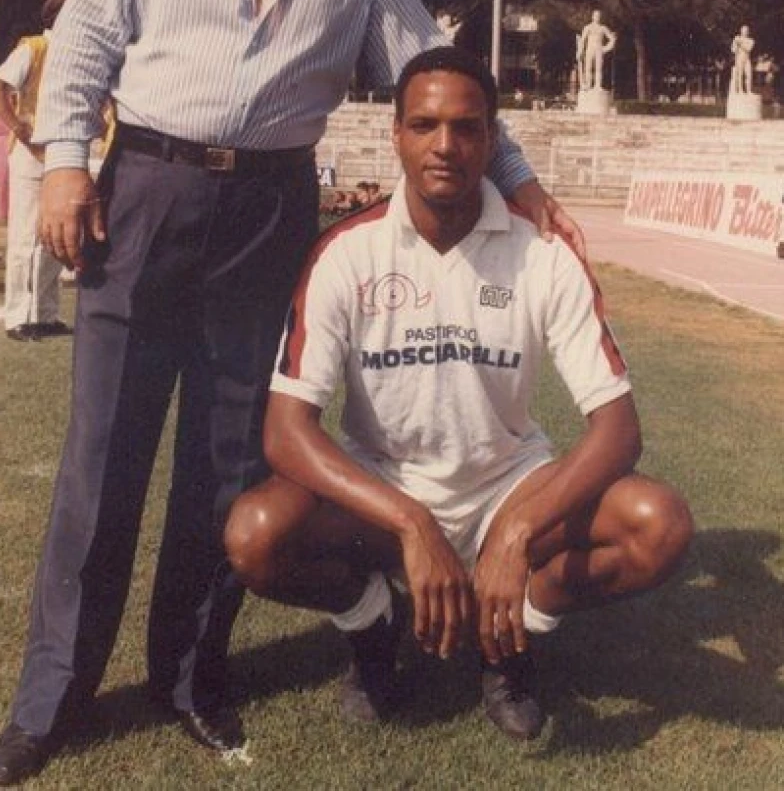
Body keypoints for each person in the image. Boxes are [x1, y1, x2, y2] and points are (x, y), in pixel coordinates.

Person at [0, 0, 581, 786]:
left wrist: (520, 180)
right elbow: (81, 47)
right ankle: (51, 701)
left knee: (225, 470)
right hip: (147, 196)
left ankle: (189, 678)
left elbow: (432, 77)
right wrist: (72, 168)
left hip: (266, 211)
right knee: (102, 464)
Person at [224, 46, 694, 743]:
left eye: (467, 127)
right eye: (424, 125)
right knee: (255, 535)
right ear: (396, 136)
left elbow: (618, 429)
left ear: (493, 139)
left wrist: (515, 530)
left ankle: (508, 642)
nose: (446, 145)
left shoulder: (543, 254)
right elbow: (286, 430)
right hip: (386, 493)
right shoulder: (347, 253)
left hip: (509, 485)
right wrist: (412, 521)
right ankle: (372, 622)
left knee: (660, 523)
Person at [0, 0, 72, 339]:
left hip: (58, 152)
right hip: (33, 153)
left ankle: (45, 313)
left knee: (50, 237)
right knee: (25, 237)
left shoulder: (70, 52)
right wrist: (19, 126)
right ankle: (20, 316)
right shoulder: (34, 48)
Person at [576, 9, 616, 91]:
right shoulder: (588, 27)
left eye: (599, 16)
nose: (597, 17)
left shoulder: (603, 28)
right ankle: (588, 85)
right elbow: (583, 40)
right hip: (589, 49)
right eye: (596, 16)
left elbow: (612, 39)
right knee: (588, 68)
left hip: (599, 49)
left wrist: (606, 48)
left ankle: (598, 86)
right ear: (592, 17)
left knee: (599, 68)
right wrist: (580, 51)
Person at [730, 25, 755, 95]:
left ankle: (749, 90)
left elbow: (748, 49)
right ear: (741, 31)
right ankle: (740, 90)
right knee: (740, 74)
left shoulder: (751, 40)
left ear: (748, 32)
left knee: (749, 74)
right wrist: (735, 43)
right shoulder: (737, 39)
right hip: (739, 58)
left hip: (747, 59)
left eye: (746, 31)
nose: (745, 32)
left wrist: (740, 43)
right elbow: (733, 50)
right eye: (744, 30)